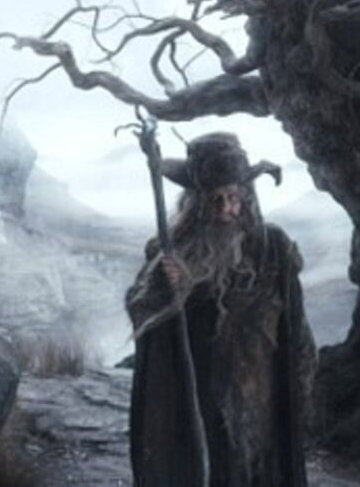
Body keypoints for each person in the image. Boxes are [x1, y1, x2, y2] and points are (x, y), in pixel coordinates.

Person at [126, 132, 318, 487]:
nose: (225, 209)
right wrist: (170, 288)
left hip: (263, 394)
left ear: (245, 197)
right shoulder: (172, 249)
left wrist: (301, 384)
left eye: (232, 198)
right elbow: (140, 308)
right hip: (201, 397)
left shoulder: (273, 248)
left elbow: (296, 324)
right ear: (196, 203)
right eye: (214, 200)